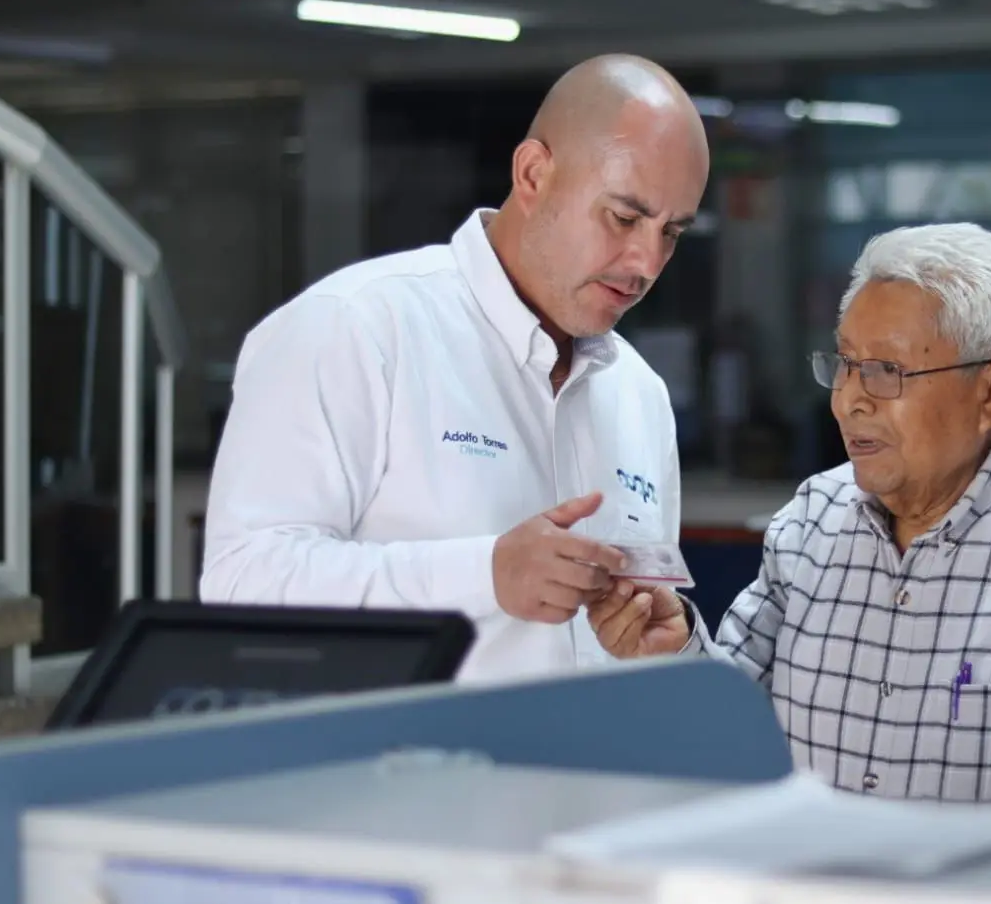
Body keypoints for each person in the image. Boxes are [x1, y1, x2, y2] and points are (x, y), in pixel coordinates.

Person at [587, 223, 991, 818]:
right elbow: (736, 716)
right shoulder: (812, 521)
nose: (848, 401)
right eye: (844, 364)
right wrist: (674, 649)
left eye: (885, 372)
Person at [201, 54, 709, 684]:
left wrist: (670, 643)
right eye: (624, 217)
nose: (645, 261)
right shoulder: (355, 327)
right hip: (387, 777)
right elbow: (241, 583)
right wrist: (484, 574)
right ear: (533, 174)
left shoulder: (639, 394)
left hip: (592, 774)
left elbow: (638, 649)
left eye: (673, 233)